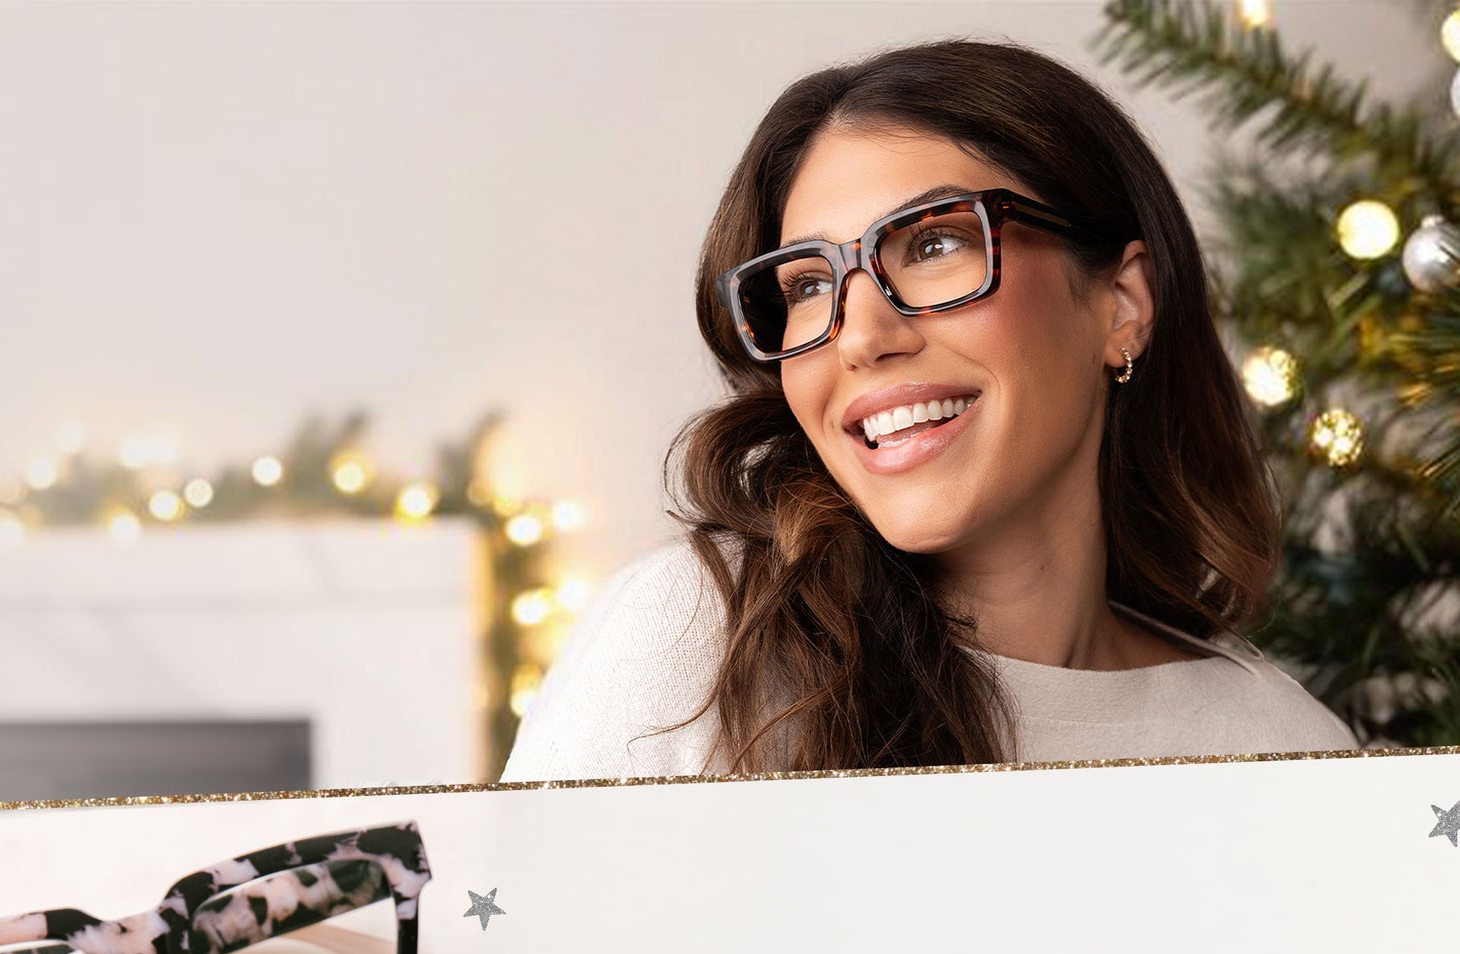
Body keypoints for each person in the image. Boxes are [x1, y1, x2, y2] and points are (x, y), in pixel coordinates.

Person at [501, 38, 1358, 783]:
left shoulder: (1284, 749)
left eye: (935, 243)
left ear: (1121, 304)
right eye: (808, 285)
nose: (860, 336)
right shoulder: (695, 644)